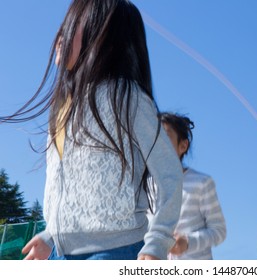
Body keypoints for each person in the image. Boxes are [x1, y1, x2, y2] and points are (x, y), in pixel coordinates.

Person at [0, 0, 183, 260]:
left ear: (103, 37)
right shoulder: (61, 106)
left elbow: (170, 176)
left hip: (114, 250)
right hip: (61, 254)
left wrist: (157, 241)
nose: (60, 36)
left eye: (72, 26)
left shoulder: (127, 98)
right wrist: (50, 235)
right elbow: (70, 187)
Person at [151, 112, 226, 260]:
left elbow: (219, 231)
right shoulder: (147, 187)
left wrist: (188, 242)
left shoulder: (202, 183)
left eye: (165, 136)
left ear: (183, 145)